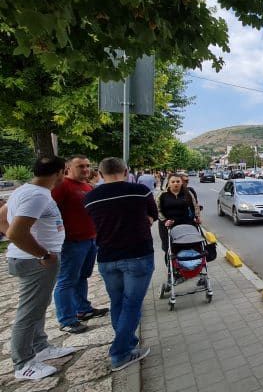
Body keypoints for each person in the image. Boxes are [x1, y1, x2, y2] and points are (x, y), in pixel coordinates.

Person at [1, 156, 77, 381]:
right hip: (36, 262)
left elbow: (2, 219)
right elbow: (15, 232)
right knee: (29, 311)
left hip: (30, 258)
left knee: (39, 305)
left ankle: (40, 346)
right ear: (60, 172)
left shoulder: (25, 190)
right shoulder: (36, 196)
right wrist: (41, 253)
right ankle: (23, 363)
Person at [84, 157, 157, 371]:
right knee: (132, 304)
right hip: (138, 255)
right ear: (126, 171)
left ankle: (128, 342)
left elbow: (93, 223)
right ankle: (120, 352)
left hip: (107, 257)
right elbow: (153, 215)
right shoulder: (140, 191)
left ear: (99, 173)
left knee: (117, 302)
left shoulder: (90, 197)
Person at [51, 155, 108, 335]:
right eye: (80, 166)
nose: (85, 169)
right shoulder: (61, 187)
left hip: (90, 239)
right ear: (68, 168)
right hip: (71, 242)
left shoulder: (86, 186)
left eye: (88, 166)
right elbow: (50, 213)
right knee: (66, 280)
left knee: (82, 276)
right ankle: (67, 319)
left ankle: (83, 309)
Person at [157, 174, 201, 261]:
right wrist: (165, 221)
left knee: (188, 246)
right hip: (168, 225)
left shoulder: (188, 193)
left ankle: (188, 266)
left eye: (178, 181)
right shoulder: (162, 195)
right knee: (170, 248)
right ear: (168, 183)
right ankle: (172, 269)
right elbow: (157, 210)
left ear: (181, 183)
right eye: (173, 182)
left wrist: (197, 217)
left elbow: (195, 206)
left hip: (186, 225)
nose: (175, 184)